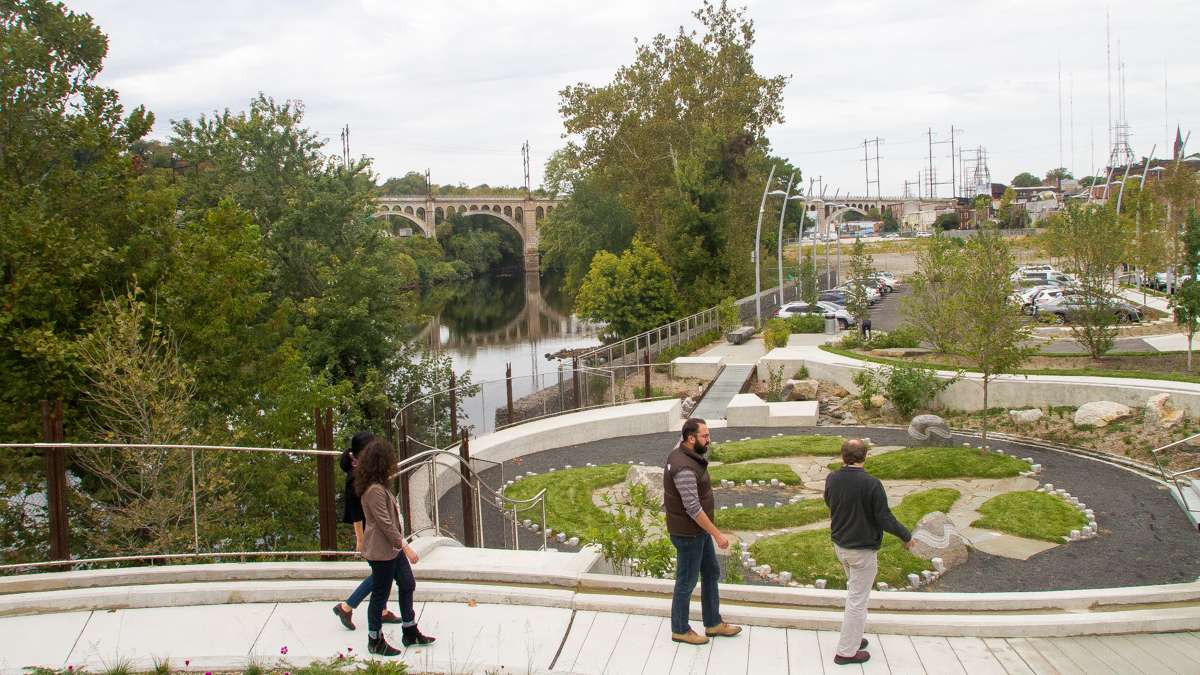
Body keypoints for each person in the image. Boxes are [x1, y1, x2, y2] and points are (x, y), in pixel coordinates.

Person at [823, 438, 914, 666]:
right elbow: (884, 518)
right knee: (857, 600)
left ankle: (853, 638)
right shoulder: (872, 484)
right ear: (865, 456)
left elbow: (829, 502)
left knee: (856, 595)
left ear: (843, 456)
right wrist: (906, 536)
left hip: (841, 546)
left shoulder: (832, 478)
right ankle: (846, 652)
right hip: (861, 551)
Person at [662, 417, 741, 645]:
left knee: (711, 572)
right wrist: (717, 534)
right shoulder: (684, 467)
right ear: (690, 438)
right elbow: (693, 508)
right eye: (705, 436)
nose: (709, 439)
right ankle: (679, 629)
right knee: (686, 581)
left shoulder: (683, 452)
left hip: (697, 532)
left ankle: (713, 623)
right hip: (688, 534)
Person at [355, 437, 435, 656]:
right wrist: (406, 547)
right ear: (381, 463)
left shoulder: (379, 487)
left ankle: (409, 630)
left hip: (391, 549)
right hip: (382, 551)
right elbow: (385, 523)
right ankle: (375, 640)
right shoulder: (373, 491)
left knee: (407, 584)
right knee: (380, 595)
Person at [331, 431, 405, 630]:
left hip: (376, 527)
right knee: (382, 574)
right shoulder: (355, 478)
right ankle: (347, 607)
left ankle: (378, 610)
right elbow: (355, 512)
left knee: (383, 573)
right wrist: (360, 538)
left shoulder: (363, 470)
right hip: (372, 530)